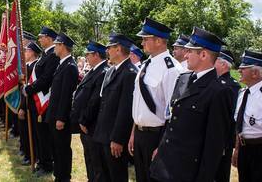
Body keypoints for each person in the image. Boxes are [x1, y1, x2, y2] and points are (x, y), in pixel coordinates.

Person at [150, 27, 233, 182]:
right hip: (164, 165)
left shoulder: (218, 92)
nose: (185, 55)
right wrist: (160, 149)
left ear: (203, 54)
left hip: (186, 172)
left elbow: (214, 145)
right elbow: (171, 120)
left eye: (190, 51)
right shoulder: (183, 79)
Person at [130, 18, 182, 182]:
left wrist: (162, 145)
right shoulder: (146, 65)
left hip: (156, 136)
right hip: (139, 133)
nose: (142, 42)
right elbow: (139, 104)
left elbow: (174, 114)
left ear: (159, 41)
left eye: (146, 39)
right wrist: (133, 133)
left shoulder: (171, 69)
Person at [92, 33, 138, 182]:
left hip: (114, 138)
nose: (107, 51)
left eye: (109, 48)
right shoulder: (112, 70)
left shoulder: (130, 73)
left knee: (116, 176)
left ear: (118, 49)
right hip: (102, 134)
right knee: (103, 175)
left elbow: (125, 110)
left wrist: (117, 139)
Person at [71, 40, 109, 182]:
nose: (86, 57)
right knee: (90, 159)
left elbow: (95, 101)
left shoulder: (103, 72)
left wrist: (84, 120)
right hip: (86, 125)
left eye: (88, 54)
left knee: (97, 162)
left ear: (96, 55)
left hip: (92, 125)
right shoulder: (93, 71)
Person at [24, 26, 60, 176]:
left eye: (41, 36)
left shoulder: (53, 55)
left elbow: (46, 80)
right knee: (39, 134)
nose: (39, 39)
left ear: (49, 38)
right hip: (36, 100)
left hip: (44, 101)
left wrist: (29, 89)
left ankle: (47, 165)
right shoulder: (45, 54)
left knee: (44, 135)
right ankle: (41, 160)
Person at [46, 32, 79, 182]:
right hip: (54, 114)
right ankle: (59, 175)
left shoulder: (70, 66)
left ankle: (64, 177)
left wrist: (60, 118)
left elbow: (66, 96)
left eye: (56, 45)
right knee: (55, 147)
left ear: (63, 47)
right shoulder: (63, 64)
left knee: (62, 149)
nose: (54, 47)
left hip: (60, 118)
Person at [232, 50, 262, 182]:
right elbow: (240, 125)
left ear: (255, 73)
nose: (239, 70)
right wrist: (237, 150)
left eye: (244, 68)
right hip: (244, 149)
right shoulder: (242, 93)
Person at [214, 48, 241, 182]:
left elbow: (232, 117)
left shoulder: (232, 87)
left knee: (220, 175)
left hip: (222, 141)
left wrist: (226, 143)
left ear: (224, 64)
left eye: (216, 60)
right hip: (211, 139)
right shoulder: (213, 82)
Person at [18, 41, 42, 165]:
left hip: (32, 105)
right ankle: (26, 151)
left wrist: (22, 106)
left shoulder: (35, 67)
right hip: (25, 102)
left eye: (27, 50)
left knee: (32, 133)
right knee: (25, 131)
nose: (25, 52)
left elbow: (30, 90)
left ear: (32, 52)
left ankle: (32, 155)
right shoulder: (27, 67)